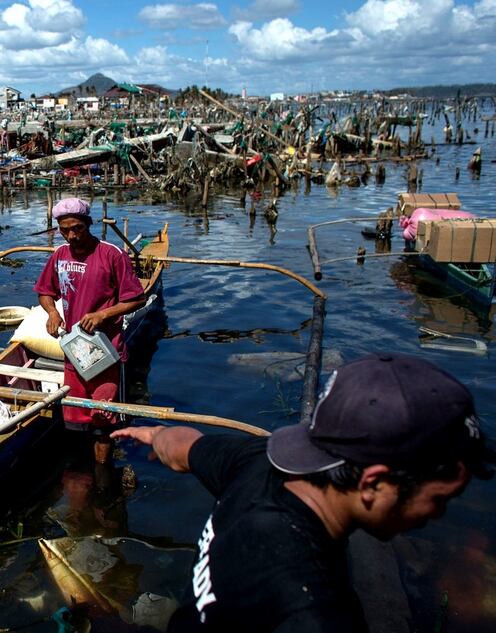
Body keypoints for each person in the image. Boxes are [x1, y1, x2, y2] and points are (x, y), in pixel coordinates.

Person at [111, 353, 492, 632]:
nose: (438, 514)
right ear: (373, 484)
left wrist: (154, 435)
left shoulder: (258, 460)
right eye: (438, 498)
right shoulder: (314, 611)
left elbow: (182, 447)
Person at [34, 197, 145, 463]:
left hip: (106, 351)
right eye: (64, 230)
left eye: (77, 229)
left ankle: (103, 476)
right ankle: (82, 470)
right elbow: (45, 291)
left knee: (103, 421)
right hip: (74, 351)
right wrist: (52, 312)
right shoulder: (60, 255)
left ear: (88, 224)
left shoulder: (110, 254)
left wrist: (103, 314)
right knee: (76, 416)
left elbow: (136, 298)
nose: (71, 236)